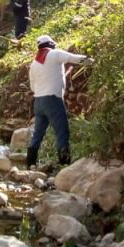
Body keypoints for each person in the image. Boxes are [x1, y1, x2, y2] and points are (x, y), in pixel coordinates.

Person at [26, 34, 93, 170]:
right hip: (53, 100)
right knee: (62, 132)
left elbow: (32, 87)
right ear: (50, 45)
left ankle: (30, 163)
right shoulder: (55, 54)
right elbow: (76, 59)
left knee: (38, 133)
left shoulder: (34, 63)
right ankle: (64, 164)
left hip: (38, 102)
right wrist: (92, 61)